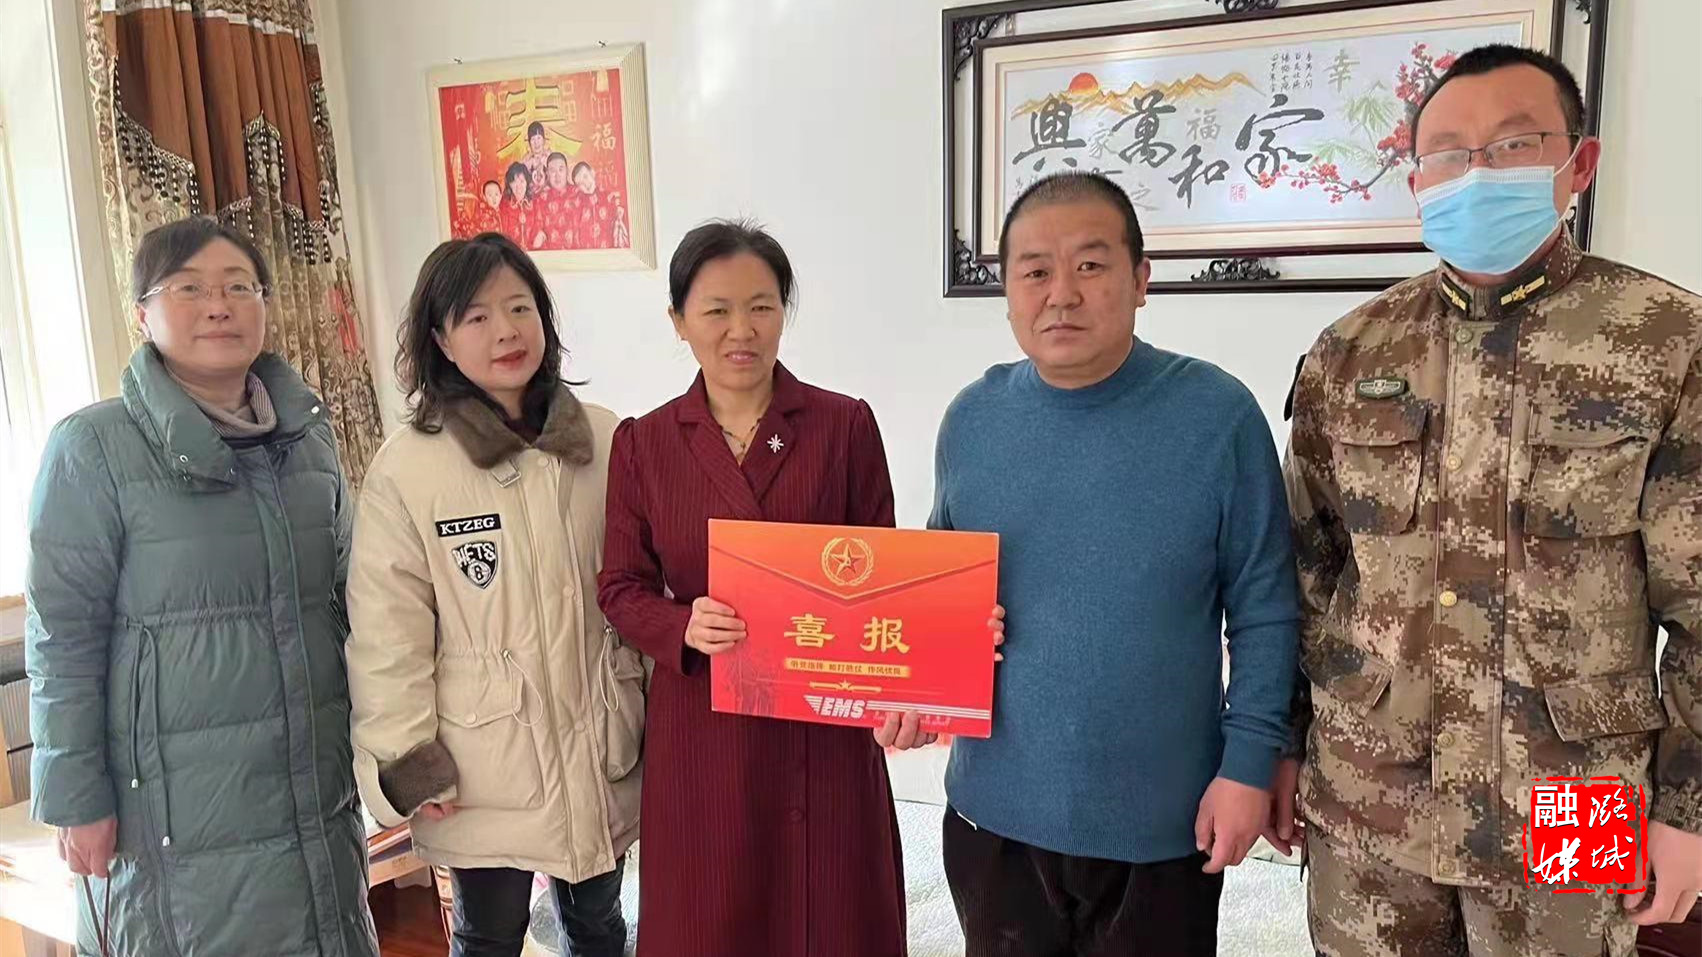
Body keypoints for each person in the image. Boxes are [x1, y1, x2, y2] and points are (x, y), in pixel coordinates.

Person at [1279, 44, 1702, 956]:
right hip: (1371, 789)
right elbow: (1305, 575)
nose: (1477, 175)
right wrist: (1281, 748)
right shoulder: (1351, 351)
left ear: (1578, 164)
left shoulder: (1667, 341)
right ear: (1417, 183)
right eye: (1449, 155)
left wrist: (1687, 810)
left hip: (1576, 796)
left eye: (1513, 146)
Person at [928, 171, 1300, 957]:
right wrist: (912, 691)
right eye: (1035, 270)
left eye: (1090, 265)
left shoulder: (1218, 415)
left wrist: (1248, 763)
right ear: (1007, 291)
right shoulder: (971, 420)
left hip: (1164, 821)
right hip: (995, 814)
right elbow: (943, 597)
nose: (1060, 293)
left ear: (1140, 280)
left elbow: (1265, 607)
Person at [597, 219, 990, 957]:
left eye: (762, 306)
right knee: (710, 915)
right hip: (706, 720)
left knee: (830, 909)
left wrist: (927, 671)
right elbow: (620, 586)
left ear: (784, 310)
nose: (741, 330)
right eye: (716, 310)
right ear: (678, 320)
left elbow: (885, 580)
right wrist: (681, 625)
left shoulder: (842, 425)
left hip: (825, 719)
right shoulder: (645, 442)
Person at [24, 216, 378, 956]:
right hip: (174, 815)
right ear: (142, 313)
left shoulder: (308, 439)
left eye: (239, 287)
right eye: (189, 288)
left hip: (314, 792)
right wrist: (77, 799)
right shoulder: (93, 448)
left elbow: (354, 600)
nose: (219, 306)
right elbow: (62, 636)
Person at [345, 232, 640, 957]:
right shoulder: (409, 469)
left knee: (600, 926)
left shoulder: (606, 440)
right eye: (476, 316)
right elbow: (387, 634)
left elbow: (641, 592)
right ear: (441, 340)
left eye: (519, 307)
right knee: (488, 937)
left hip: (600, 738)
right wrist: (410, 759)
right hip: (482, 762)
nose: (505, 330)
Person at [570, 162, 626, 250]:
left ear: (592, 173)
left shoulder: (609, 198)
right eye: (580, 183)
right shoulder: (578, 205)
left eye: (585, 177)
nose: (585, 184)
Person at [499, 162, 544, 251]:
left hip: (533, 253)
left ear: (527, 183)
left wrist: (540, 236)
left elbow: (540, 225)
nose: (518, 186)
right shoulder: (504, 204)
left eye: (522, 181)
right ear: (509, 185)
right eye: (514, 182)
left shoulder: (535, 202)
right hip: (511, 253)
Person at [538, 153, 578, 250]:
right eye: (552, 171)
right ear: (547, 173)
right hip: (550, 256)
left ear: (567, 171)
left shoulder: (578, 194)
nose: (557, 176)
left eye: (561, 169)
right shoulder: (541, 199)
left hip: (577, 256)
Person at [524, 120, 550, 194]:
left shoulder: (550, 159)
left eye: (539, 138)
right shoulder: (525, 162)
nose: (536, 143)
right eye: (533, 139)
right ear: (529, 143)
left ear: (544, 140)